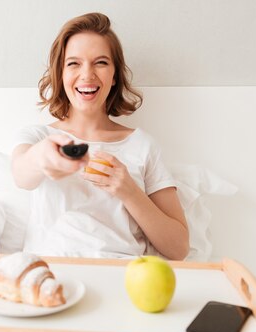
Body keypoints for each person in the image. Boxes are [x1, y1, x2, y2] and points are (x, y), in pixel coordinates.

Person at [12, 12, 189, 260]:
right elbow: (21, 175)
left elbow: (179, 248)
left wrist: (129, 191)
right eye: (74, 63)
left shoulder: (142, 145)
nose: (87, 75)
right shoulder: (39, 136)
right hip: (52, 272)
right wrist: (44, 157)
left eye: (101, 62)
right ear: (60, 74)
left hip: (122, 275)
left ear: (115, 76)